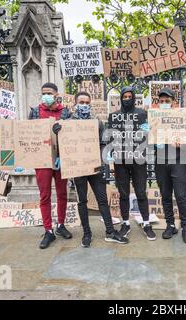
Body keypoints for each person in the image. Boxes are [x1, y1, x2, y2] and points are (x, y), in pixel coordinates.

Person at [53, 91, 129, 248]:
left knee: (102, 199)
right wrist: (57, 131)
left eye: (87, 103)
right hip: (78, 167)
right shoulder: (67, 122)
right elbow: (62, 144)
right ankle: (87, 233)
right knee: (82, 201)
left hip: (95, 167)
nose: (85, 105)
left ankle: (110, 231)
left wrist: (102, 161)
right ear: (75, 104)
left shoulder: (97, 122)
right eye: (82, 102)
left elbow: (103, 143)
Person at [105, 86, 156, 241]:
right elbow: (110, 136)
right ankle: (125, 223)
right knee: (124, 194)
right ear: (121, 98)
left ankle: (146, 223)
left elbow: (148, 134)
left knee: (141, 192)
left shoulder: (142, 113)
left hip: (139, 159)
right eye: (124, 96)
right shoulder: (114, 116)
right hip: (121, 160)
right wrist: (110, 151)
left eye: (129, 96)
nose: (127, 99)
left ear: (133, 97)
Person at [28, 82, 72, 249]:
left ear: (56, 94)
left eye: (48, 93)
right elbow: (28, 135)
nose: (45, 96)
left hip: (62, 159)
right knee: (44, 195)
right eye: (43, 93)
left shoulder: (65, 112)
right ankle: (48, 231)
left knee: (62, 194)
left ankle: (61, 225)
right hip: (42, 160)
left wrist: (63, 130)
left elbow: (71, 134)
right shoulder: (35, 112)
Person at [153, 88, 186, 243]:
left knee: (181, 195)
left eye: (167, 101)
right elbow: (148, 145)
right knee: (166, 195)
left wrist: (181, 145)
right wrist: (147, 132)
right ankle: (170, 225)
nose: (164, 104)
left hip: (178, 161)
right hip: (161, 162)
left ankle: (185, 226)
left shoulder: (183, 119)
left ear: (174, 103)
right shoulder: (154, 120)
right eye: (161, 101)